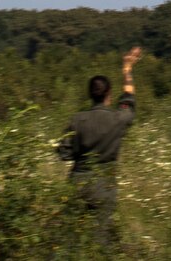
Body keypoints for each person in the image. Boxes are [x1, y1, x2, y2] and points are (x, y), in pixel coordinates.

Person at [58, 46, 141, 245]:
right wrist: (127, 68)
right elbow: (129, 98)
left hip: (77, 183)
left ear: (89, 94)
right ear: (109, 94)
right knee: (100, 239)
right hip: (104, 185)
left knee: (70, 238)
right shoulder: (119, 118)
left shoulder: (77, 120)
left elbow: (64, 153)